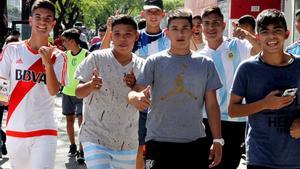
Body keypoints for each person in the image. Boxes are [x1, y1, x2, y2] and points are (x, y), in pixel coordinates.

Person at [128, 8, 223, 169]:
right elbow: (136, 91)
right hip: (158, 141)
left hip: (194, 142)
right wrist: (135, 97)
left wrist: (217, 140)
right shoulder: (154, 61)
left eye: (185, 28)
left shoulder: (205, 64)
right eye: (175, 29)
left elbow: (212, 105)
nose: (180, 34)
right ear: (167, 33)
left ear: (193, 31)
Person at [100, 1, 170, 168]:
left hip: (162, 103)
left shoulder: (169, 38)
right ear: (142, 14)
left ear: (163, 14)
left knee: (158, 151)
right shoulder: (131, 35)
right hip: (133, 102)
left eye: (156, 11)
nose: (153, 15)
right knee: (137, 150)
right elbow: (103, 55)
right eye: (149, 11)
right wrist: (110, 31)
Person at [229, 9, 300, 169]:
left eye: (277, 31)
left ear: (287, 34)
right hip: (260, 158)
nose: (271, 37)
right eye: (265, 32)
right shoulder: (247, 68)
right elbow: (233, 110)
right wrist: (265, 104)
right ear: (258, 36)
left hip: (295, 159)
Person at [0, 0, 67, 169]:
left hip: (45, 128)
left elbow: (53, 90)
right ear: (30, 21)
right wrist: (3, 99)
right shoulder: (12, 50)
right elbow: (2, 82)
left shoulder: (59, 56)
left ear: (53, 23)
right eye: (38, 17)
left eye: (47, 18)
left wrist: (47, 63)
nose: (42, 22)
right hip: (16, 127)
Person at [74, 14, 144, 169]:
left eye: (128, 34)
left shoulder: (142, 66)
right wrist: (91, 85)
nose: (122, 39)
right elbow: (78, 92)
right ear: (111, 36)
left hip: (127, 140)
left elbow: (143, 101)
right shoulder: (96, 58)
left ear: (136, 36)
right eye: (117, 34)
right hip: (94, 136)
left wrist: (135, 87)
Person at [198, 6, 261, 169]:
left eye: (216, 23)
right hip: (207, 120)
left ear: (224, 25)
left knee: (229, 164)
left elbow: (262, 51)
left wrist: (248, 36)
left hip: (235, 118)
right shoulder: (199, 56)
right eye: (207, 23)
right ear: (201, 27)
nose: (211, 27)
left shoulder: (238, 45)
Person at [61, 28, 88, 164]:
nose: (63, 43)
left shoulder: (86, 54)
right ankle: (72, 145)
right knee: (69, 121)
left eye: (65, 41)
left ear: (72, 40)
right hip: (67, 92)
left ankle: (81, 150)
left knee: (81, 122)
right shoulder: (65, 55)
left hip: (81, 93)